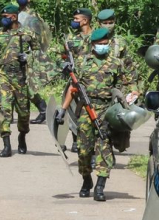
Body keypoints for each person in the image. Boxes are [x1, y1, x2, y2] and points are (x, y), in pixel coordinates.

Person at [59, 28, 136, 202]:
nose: (103, 46)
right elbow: (73, 87)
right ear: (92, 45)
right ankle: (87, 180)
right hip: (86, 110)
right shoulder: (82, 63)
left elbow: (127, 83)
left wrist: (130, 96)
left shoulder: (116, 63)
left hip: (107, 110)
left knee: (104, 147)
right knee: (84, 150)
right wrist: (63, 110)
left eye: (105, 44)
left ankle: (100, 186)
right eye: (100, 44)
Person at [0, 4, 37, 158]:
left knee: (24, 113)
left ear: (13, 17)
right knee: (4, 110)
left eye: (5, 17)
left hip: (22, 78)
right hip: (4, 76)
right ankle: (6, 144)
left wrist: (28, 58)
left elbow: (39, 53)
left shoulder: (27, 34)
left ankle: (22, 136)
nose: (3, 20)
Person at [17, 0, 56, 124]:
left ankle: (43, 109)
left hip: (28, 55)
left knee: (28, 86)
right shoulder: (16, 13)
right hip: (15, 52)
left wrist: (29, 56)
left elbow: (37, 40)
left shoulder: (33, 17)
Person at [65, 8, 94, 153]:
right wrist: (63, 64)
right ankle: (75, 140)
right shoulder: (71, 39)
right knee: (73, 110)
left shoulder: (97, 37)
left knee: (90, 111)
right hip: (75, 80)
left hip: (93, 80)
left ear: (85, 20)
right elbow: (62, 56)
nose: (74, 21)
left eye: (77, 19)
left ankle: (91, 142)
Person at [97, 9, 140, 102]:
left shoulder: (119, 42)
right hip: (96, 88)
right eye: (105, 23)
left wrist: (133, 87)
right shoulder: (92, 40)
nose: (108, 26)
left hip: (116, 87)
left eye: (111, 23)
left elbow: (128, 65)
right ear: (99, 23)